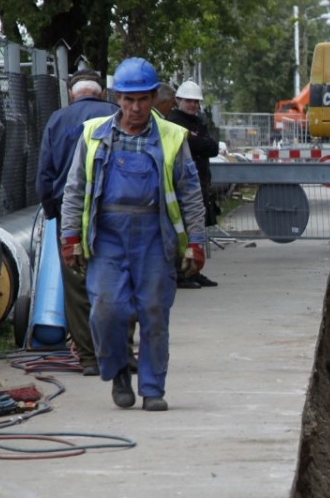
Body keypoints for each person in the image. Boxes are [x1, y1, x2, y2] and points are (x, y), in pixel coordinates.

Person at [58, 57, 208, 412]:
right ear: (117, 98)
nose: (136, 107)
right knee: (106, 310)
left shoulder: (172, 138)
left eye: (143, 99)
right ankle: (119, 372)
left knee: (153, 311)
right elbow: (74, 188)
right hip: (107, 238)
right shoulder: (94, 135)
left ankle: (153, 388)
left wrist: (196, 242)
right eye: (128, 99)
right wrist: (70, 236)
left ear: (154, 98)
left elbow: (190, 192)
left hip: (154, 237)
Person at [34, 69, 118, 376]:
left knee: (76, 285)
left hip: (69, 213)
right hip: (112, 212)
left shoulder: (57, 120)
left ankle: (88, 357)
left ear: (72, 95)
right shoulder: (117, 115)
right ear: (101, 93)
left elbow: (45, 173)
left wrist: (51, 211)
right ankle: (115, 350)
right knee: (114, 280)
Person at [167, 80, 220, 288]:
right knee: (182, 230)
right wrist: (198, 141)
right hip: (183, 184)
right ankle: (181, 273)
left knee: (196, 228)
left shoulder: (198, 122)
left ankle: (194, 270)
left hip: (199, 180)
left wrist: (198, 141)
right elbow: (194, 144)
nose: (193, 105)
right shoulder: (173, 122)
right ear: (178, 100)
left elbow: (213, 148)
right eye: (189, 101)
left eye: (196, 102)